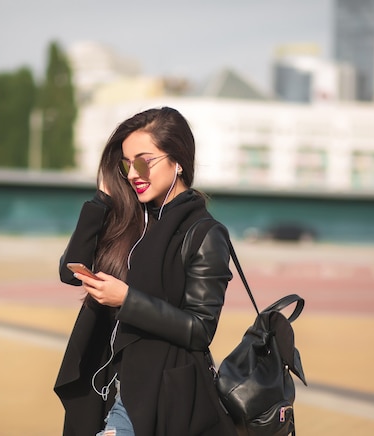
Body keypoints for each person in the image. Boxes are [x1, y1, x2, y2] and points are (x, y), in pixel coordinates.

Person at [54, 107, 237, 436]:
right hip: (106, 387)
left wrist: (126, 299)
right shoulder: (131, 221)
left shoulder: (205, 233)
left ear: (178, 159)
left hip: (160, 395)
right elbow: (70, 272)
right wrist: (101, 199)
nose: (133, 173)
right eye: (126, 164)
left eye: (143, 160)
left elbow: (199, 329)